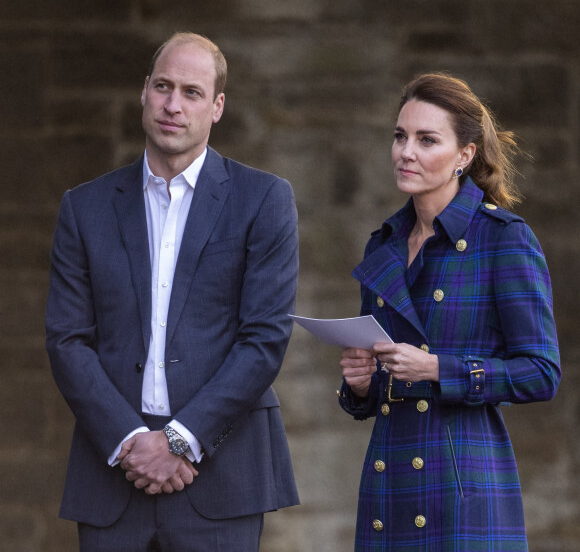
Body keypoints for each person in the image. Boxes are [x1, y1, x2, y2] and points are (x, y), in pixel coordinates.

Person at [45, 32, 300, 552]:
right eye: (163, 87)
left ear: (217, 107)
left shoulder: (263, 200)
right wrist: (129, 442)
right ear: (143, 92)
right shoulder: (84, 207)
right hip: (113, 472)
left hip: (221, 475)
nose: (172, 105)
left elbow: (264, 338)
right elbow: (67, 340)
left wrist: (181, 440)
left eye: (191, 92)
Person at [338, 73, 560, 551]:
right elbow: (383, 384)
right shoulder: (384, 244)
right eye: (400, 136)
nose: (406, 152)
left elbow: (541, 373)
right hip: (390, 483)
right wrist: (360, 384)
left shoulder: (503, 239)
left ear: (465, 155)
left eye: (426, 139)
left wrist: (439, 369)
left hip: (463, 489)